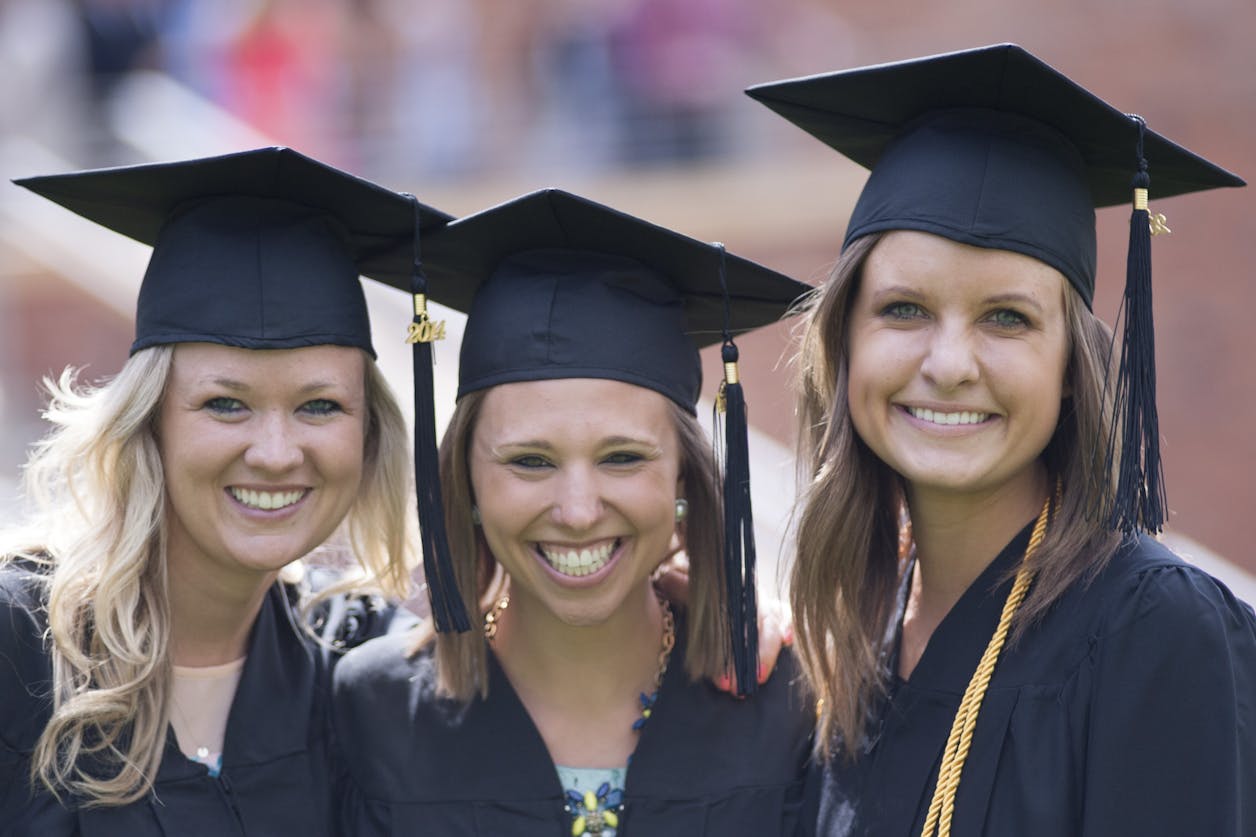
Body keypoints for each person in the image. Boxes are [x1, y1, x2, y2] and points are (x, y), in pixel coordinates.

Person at [746, 43, 1256, 836]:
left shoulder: (1154, 633)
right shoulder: (853, 639)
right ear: (845, 341)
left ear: (1070, 368)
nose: (949, 364)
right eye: (905, 309)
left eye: (1006, 318)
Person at [333, 188, 815, 836]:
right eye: (531, 461)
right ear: (466, 482)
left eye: (622, 457)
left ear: (684, 475)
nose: (580, 511)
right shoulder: (376, 713)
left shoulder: (789, 707)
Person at [0, 146, 450, 836]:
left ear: (369, 435)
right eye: (225, 404)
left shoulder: (354, 662)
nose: (275, 453)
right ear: (149, 422)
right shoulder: (20, 644)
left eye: (320, 406)